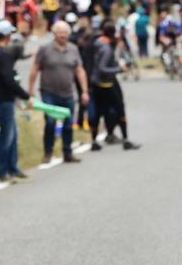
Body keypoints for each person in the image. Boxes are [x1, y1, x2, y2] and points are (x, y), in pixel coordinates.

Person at [29, 21, 89, 164]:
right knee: (50, 122)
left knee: (68, 123)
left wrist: (84, 91)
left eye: (65, 32)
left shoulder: (73, 49)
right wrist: (30, 89)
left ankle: (67, 152)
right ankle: (48, 152)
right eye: (59, 32)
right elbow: (35, 69)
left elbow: (80, 71)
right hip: (49, 91)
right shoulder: (45, 49)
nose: (63, 35)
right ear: (54, 34)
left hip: (68, 92)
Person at [0, 20, 30, 182]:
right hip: (4, 99)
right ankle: (4, 171)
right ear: (6, 35)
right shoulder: (4, 54)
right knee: (8, 136)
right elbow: (8, 79)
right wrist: (24, 95)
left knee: (12, 134)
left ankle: (13, 167)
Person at [88, 21, 139, 152]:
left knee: (98, 112)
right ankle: (126, 140)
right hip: (106, 84)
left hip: (95, 83)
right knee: (119, 108)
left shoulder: (97, 43)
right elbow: (102, 68)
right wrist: (119, 69)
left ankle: (94, 141)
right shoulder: (106, 48)